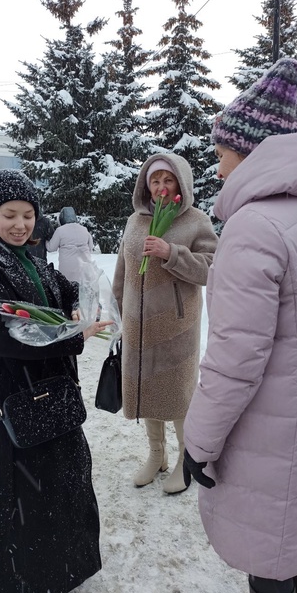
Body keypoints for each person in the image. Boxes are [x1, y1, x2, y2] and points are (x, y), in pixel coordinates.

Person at [183, 59, 297, 593]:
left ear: (253, 153)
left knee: (270, 561)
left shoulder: (255, 228)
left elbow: (235, 360)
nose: (218, 170)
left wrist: (198, 442)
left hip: (273, 436)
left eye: (221, 156)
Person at [0, 169, 111, 593]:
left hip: (56, 394)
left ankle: (65, 572)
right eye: (9, 214)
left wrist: (78, 306)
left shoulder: (34, 260)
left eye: (28, 215)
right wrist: (68, 336)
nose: (20, 224)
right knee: (26, 500)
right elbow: (0, 333)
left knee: (65, 485)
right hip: (20, 398)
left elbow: (64, 291)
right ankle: (24, 584)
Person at [112, 154, 218, 494]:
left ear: (180, 184)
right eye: (154, 180)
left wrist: (171, 252)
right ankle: (156, 454)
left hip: (175, 327)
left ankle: (186, 461)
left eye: (167, 180)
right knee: (146, 391)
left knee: (177, 395)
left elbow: (212, 268)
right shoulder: (135, 221)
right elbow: (123, 270)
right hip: (137, 327)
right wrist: (118, 312)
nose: (160, 187)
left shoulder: (195, 221)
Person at [46, 206, 94, 283]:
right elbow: (90, 247)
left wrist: (46, 241)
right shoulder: (84, 229)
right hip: (84, 266)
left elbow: (51, 248)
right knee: (82, 290)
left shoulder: (60, 230)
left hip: (67, 268)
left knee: (68, 289)